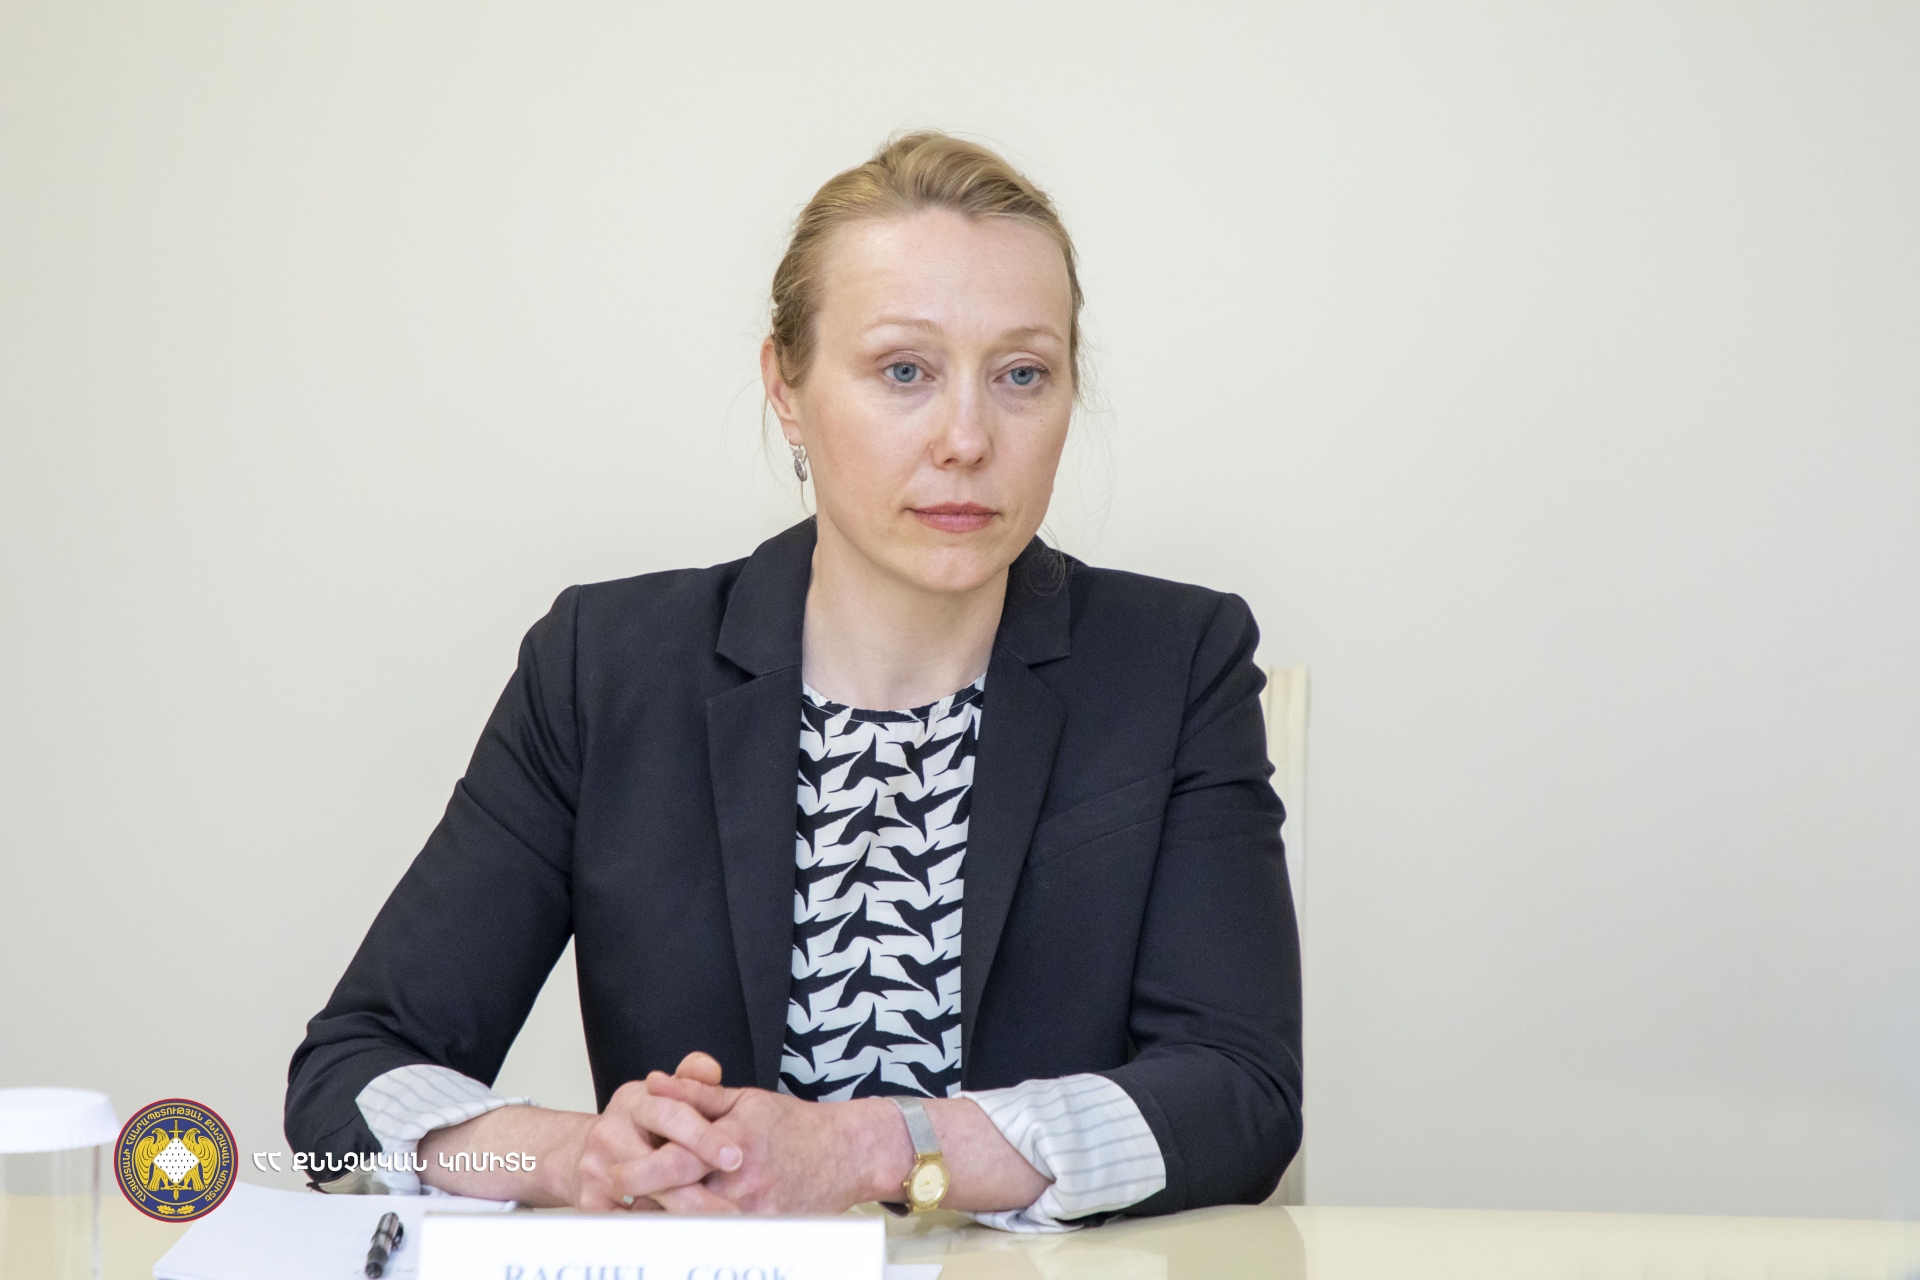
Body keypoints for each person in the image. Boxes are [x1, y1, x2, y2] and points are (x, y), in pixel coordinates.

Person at [285, 132, 1300, 1231]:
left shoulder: (1176, 661)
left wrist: (875, 1146)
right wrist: (577, 1158)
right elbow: (347, 1080)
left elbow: (1240, 1094)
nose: (967, 438)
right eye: (904, 370)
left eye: (1022, 374)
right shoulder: (603, 666)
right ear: (787, 386)